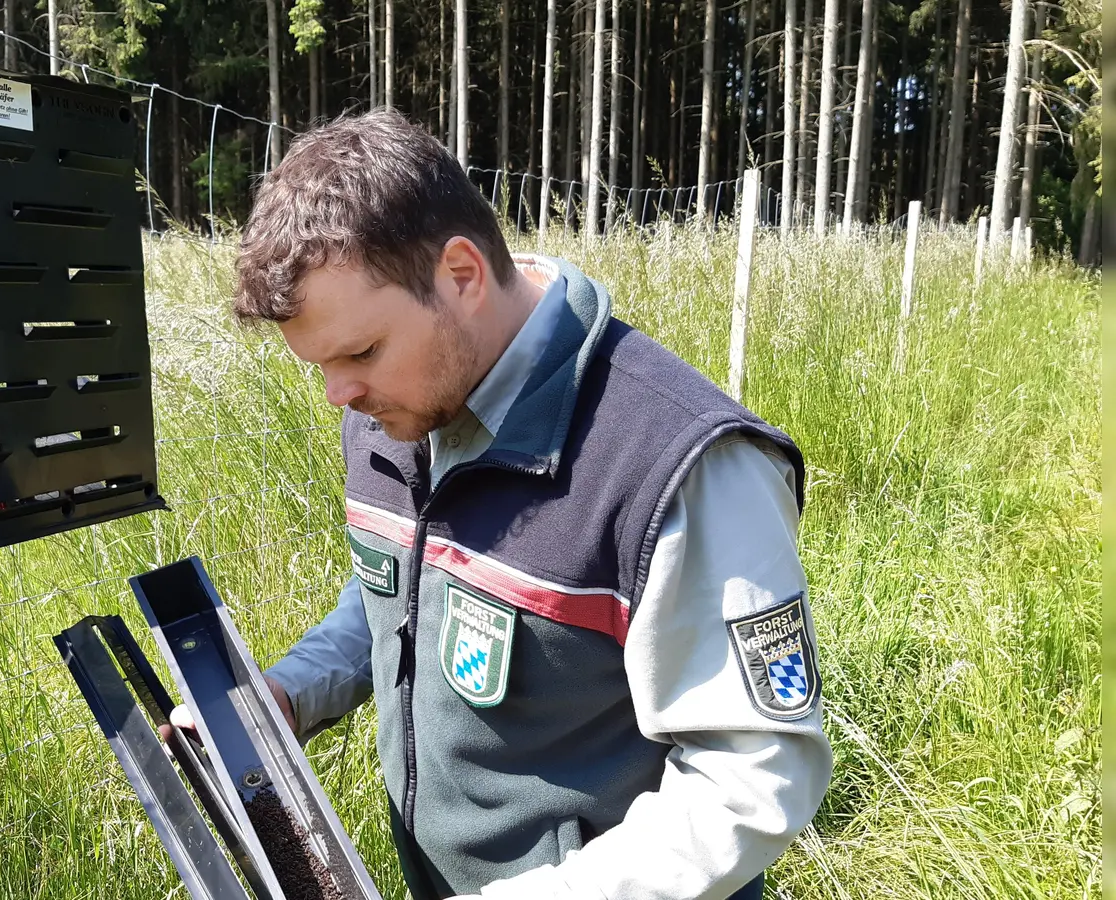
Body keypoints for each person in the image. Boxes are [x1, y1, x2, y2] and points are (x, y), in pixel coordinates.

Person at [175, 108, 832, 900]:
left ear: (461, 274)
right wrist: (290, 694)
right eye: (321, 365)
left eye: (360, 353)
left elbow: (755, 780)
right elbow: (397, 591)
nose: (338, 396)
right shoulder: (392, 408)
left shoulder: (681, 466)